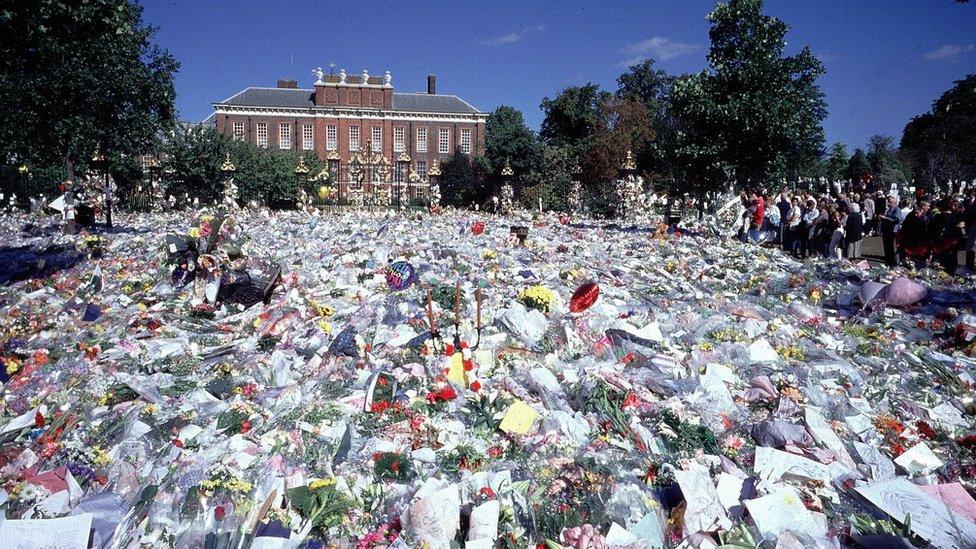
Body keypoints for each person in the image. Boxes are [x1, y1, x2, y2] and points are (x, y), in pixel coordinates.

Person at [898, 200, 931, 269]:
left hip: (918, 244)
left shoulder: (925, 215)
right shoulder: (914, 215)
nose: (929, 208)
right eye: (928, 206)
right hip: (914, 245)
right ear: (923, 206)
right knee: (913, 265)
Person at [877, 195, 903, 267]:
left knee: (890, 247)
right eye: (888, 202)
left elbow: (897, 220)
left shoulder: (897, 209)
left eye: (890, 202)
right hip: (886, 230)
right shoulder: (888, 209)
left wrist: (884, 217)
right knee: (886, 246)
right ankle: (887, 260)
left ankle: (891, 261)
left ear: (894, 202)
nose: (888, 203)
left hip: (892, 230)